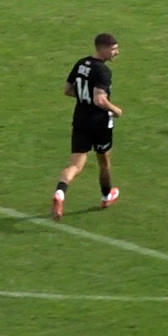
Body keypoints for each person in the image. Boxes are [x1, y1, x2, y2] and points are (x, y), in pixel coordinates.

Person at [51, 34, 123, 221]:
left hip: (80, 119)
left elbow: (68, 89)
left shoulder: (81, 63)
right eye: (113, 49)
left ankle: (60, 192)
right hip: (99, 122)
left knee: (75, 165)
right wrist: (115, 110)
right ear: (102, 48)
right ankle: (106, 197)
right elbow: (100, 100)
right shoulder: (103, 71)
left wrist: (84, 97)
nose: (116, 52)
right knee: (104, 162)